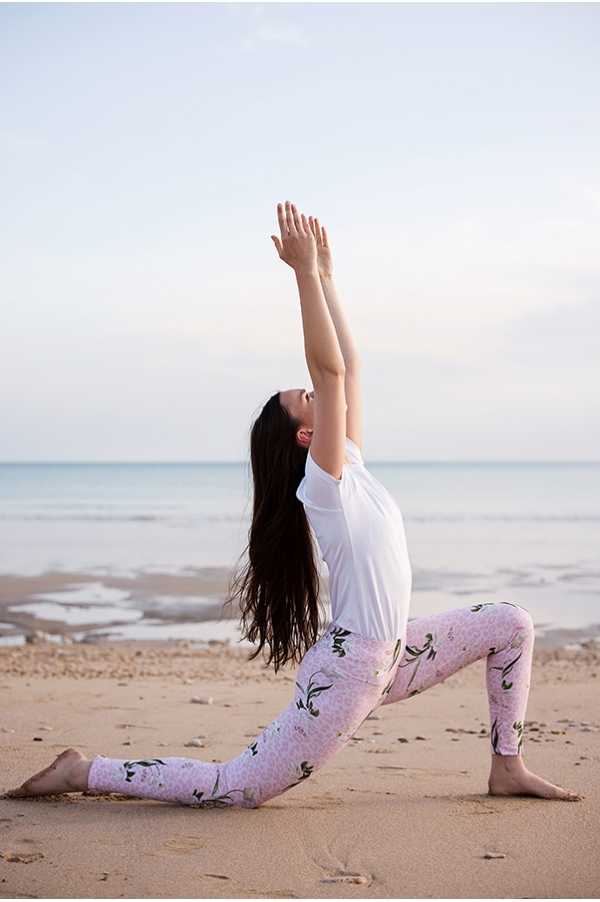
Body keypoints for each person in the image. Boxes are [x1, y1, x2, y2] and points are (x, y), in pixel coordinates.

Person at [7, 202, 578, 806]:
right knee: (238, 788)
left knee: (511, 622)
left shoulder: (349, 463)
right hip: (351, 671)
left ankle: (506, 767)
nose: (317, 393)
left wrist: (328, 277)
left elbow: (348, 368)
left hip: (394, 653)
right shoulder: (324, 487)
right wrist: (302, 274)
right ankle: (84, 770)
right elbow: (328, 374)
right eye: (304, 398)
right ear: (307, 436)